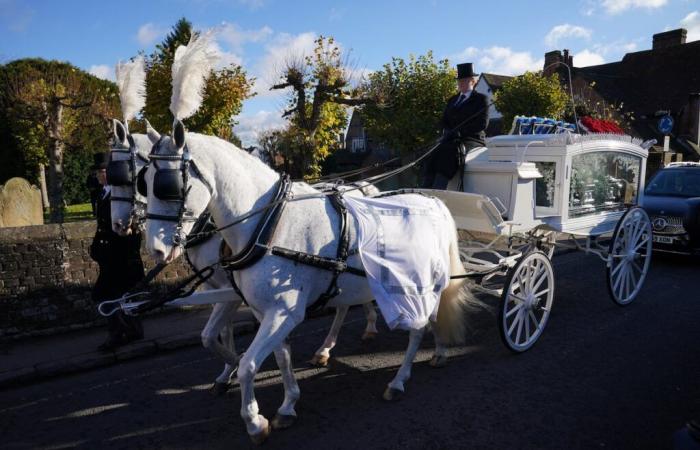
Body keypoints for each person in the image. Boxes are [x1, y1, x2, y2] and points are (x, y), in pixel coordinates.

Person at [89, 152, 145, 352]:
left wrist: (128, 255)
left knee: (106, 297)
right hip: (109, 258)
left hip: (120, 258)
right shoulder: (102, 193)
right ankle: (134, 330)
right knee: (119, 296)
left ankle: (117, 334)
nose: (99, 175)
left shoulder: (121, 195)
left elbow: (132, 229)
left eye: (103, 171)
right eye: (97, 172)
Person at [423, 62, 489, 189]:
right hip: (451, 139)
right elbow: (443, 121)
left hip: (472, 139)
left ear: (473, 81)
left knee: (450, 152)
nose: (461, 84)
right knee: (433, 151)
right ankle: (425, 187)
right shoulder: (452, 100)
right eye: (459, 81)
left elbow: (482, 124)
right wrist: (447, 131)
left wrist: (461, 132)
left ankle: (439, 188)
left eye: (464, 81)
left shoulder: (481, 100)